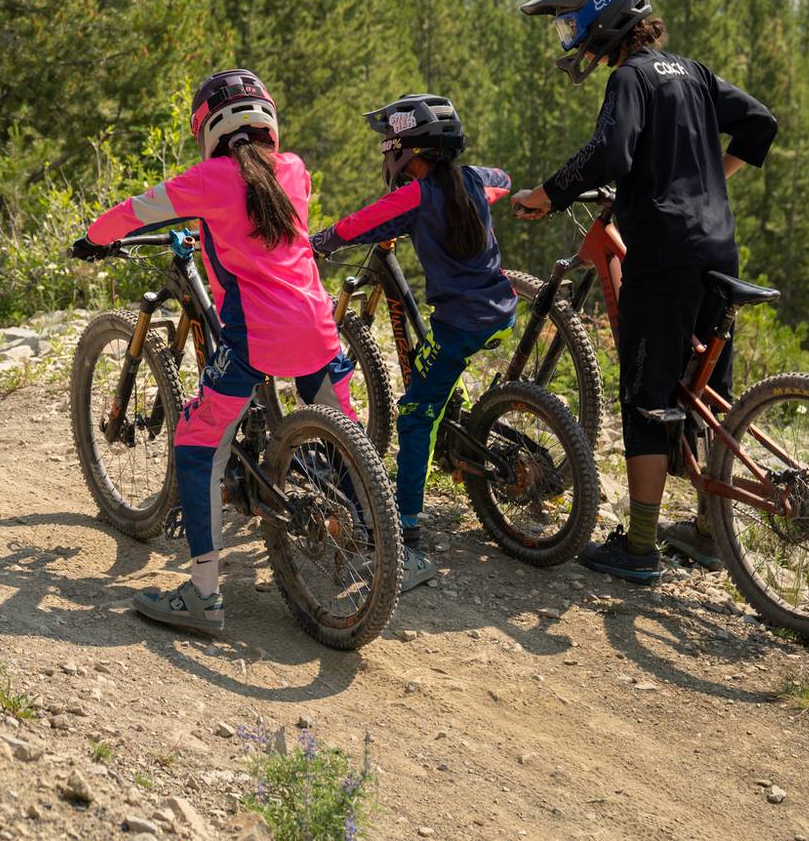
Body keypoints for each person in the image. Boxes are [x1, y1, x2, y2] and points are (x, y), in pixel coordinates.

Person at [513, 0, 777, 582]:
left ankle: (638, 548)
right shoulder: (694, 73)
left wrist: (549, 193)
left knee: (647, 396)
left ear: (608, 19)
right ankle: (711, 534)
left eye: (574, 24)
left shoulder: (630, 77)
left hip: (664, 251)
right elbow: (761, 122)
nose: (572, 37)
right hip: (719, 245)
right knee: (709, 392)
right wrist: (706, 181)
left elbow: (610, 154)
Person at [70, 69, 359, 633]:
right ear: (269, 124)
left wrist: (96, 236)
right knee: (341, 431)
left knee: (198, 443)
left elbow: (138, 209)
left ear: (208, 129)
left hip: (256, 336)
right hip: (319, 327)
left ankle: (204, 595)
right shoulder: (294, 171)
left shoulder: (208, 178)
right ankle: (368, 537)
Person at [310, 95, 516, 591]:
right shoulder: (474, 181)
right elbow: (503, 181)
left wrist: (320, 242)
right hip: (500, 311)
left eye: (389, 147)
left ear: (409, 152)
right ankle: (454, 423)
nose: (386, 156)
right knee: (438, 378)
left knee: (414, 413)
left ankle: (406, 535)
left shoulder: (416, 196)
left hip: (459, 326)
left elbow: (358, 225)